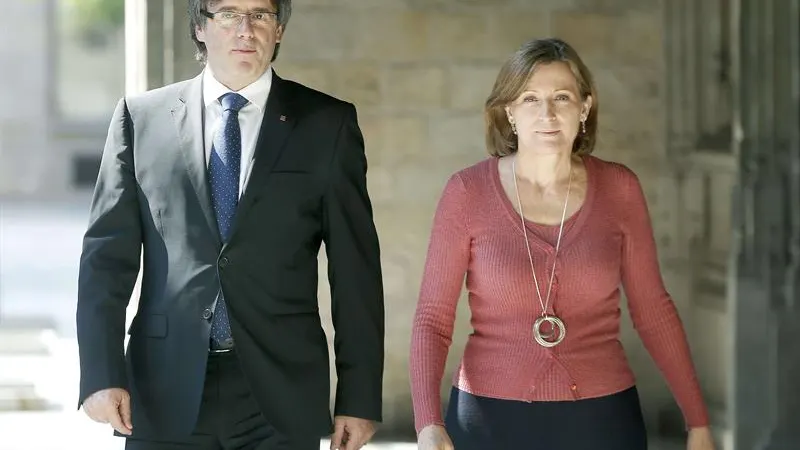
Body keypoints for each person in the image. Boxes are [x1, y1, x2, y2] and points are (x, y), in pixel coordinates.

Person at [75, 1, 385, 449]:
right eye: (228, 14)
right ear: (200, 27)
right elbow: (105, 261)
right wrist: (100, 374)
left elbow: (355, 273)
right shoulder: (139, 120)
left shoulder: (327, 125)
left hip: (281, 393)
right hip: (164, 387)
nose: (245, 29)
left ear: (279, 30)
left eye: (260, 15)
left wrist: (359, 396)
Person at [409, 38, 716, 450]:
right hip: (488, 418)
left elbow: (653, 309)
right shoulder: (467, 192)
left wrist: (697, 421)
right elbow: (433, 318)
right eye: (530, 98)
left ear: (585, 108)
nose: (547, 113)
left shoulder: (620, 189)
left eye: (562, 97)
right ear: (509, 112)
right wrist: (428, 423)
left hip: (604, 420)